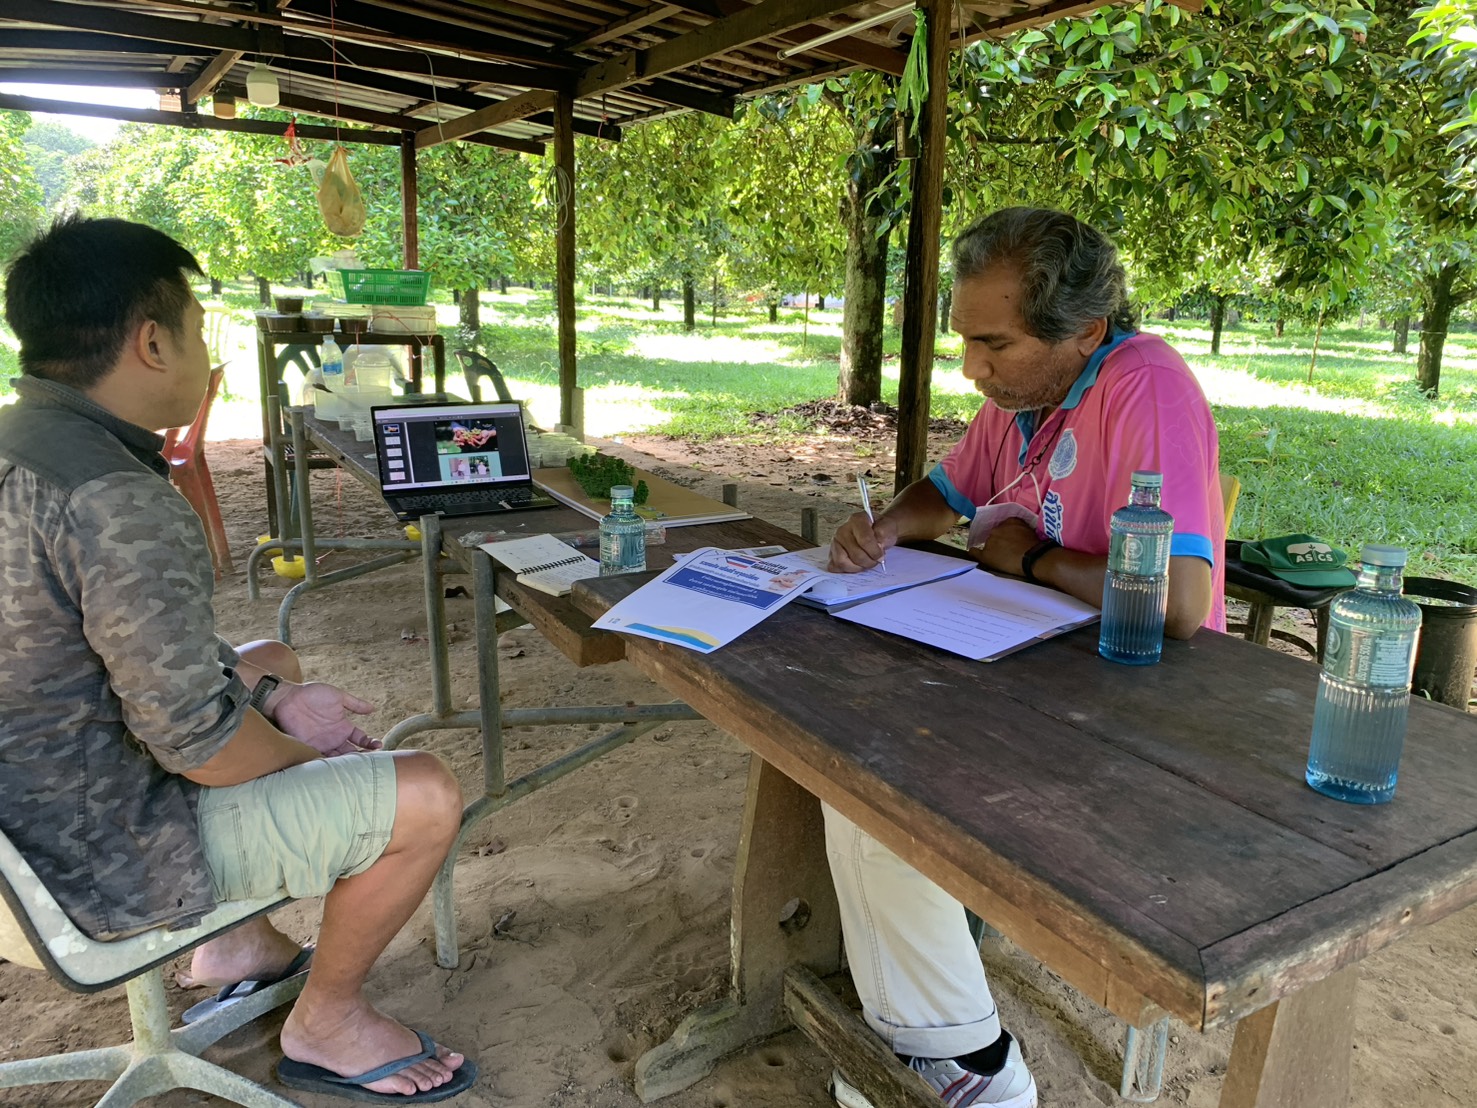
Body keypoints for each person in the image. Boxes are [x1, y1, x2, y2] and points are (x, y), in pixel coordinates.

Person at [0, 215, 475, 1104]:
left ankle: (237, 943)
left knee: (271, 658)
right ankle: (327, 1022)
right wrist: (311, 745)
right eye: (194, 329)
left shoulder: (21, 444)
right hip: (88, 858)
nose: (201, 350)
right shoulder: (117, 497)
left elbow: (126, 645)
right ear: (150, 342)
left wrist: (267, 692)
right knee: (423, 793)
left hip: (25, 807)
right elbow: (205, 751)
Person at [826, 208, 1225, 1108]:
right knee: (849, 755)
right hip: (1037, 669)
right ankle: (935, 1031)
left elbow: (1180, 606)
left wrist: (1033, 559)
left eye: (991, 345)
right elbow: (952, 488)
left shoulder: (1144, 387)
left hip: (1139, 701)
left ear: (1084, 331)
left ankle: (970, 1068)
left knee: (877, 783)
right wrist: (886, 527)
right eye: (966, 341)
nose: (972, 369)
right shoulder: (1030, 393)